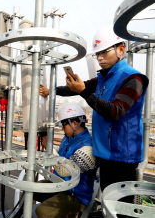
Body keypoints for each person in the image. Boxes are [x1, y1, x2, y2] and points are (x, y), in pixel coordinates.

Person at [40, 25, 149, 200]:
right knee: (107, 202)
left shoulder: (133, 78)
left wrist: (83, 92)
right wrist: (50, 90)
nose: (100, 58)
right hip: (104, 152)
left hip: (122, 157)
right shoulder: (102, 78)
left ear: (121, 49)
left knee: (118, 207)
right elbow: (76, 88)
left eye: (105, 52)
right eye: (97, 54)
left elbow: (115, 111)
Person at [35, 103, 97, 218]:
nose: (62, 128)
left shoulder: (88, 148)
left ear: (75, 123)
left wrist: (50, 149)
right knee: (31, 189)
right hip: (62, 185)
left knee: (42, 212)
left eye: (64, 125)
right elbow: (64, 153)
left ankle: (73, 213)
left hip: (77, 195)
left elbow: (65, 171)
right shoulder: (69, 138)